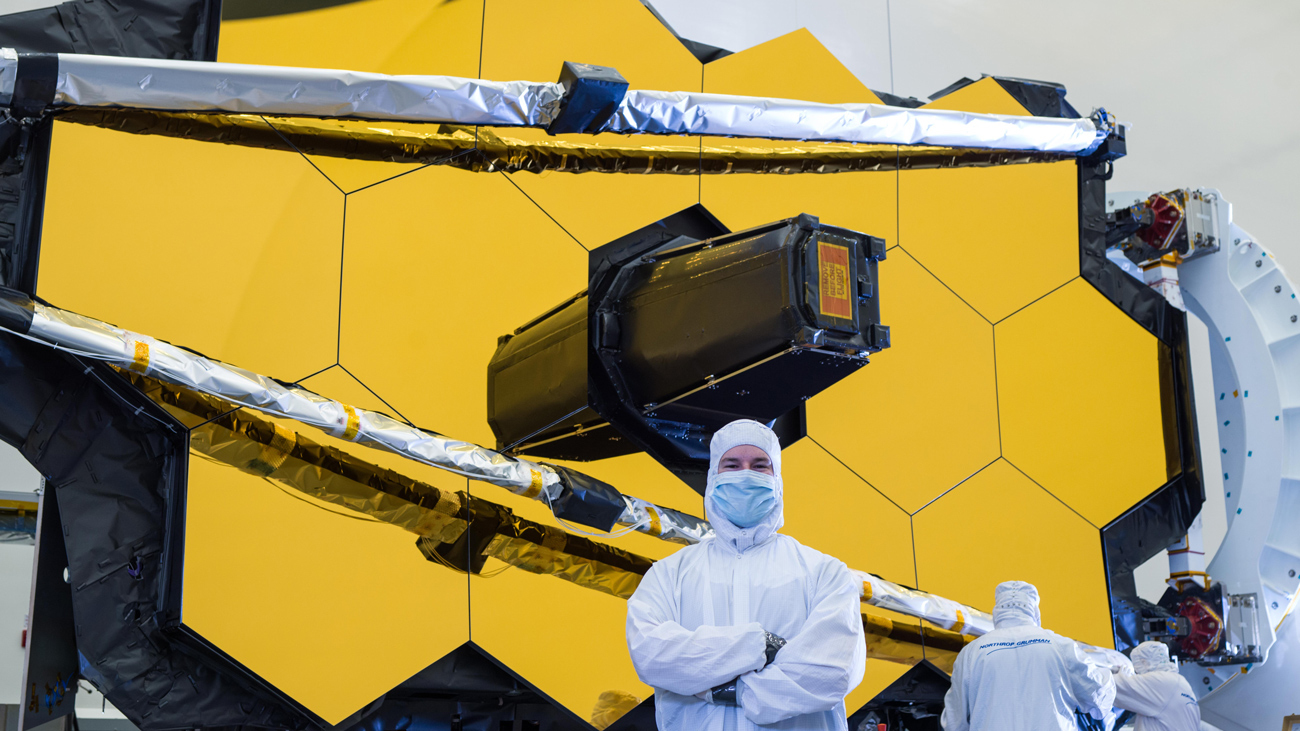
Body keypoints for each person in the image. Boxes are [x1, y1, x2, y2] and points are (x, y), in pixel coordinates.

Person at [625, 419, 866, 730]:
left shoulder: (824, 573)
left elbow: (831, 672)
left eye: (759, 465)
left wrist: (726, 689)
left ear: (777, 478)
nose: (746, 475)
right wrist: (759, 644)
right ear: (713, 477)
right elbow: (653, 656)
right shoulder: (668, 575)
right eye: (732, 464)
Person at [941, 581, 1115, 731]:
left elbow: (954, 721)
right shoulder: (1061, 646)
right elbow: (1099, 697)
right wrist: (1109, 676)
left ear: (997, 610)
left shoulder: (971, 653)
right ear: (1034, 609)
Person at [1111, 641, 1201, 731]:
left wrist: (1118, 672)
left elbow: (1114, 687)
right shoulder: (1182, 684)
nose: (1137, 673)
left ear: (1145, 662)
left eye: (1137, 667)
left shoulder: (1162, 682)